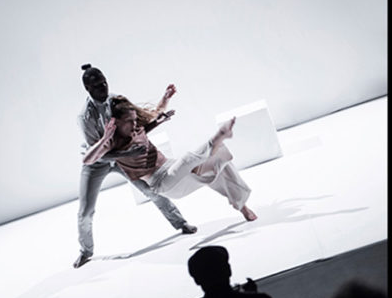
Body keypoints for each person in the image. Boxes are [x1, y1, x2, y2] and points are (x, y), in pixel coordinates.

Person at [75, 64, 198, 268]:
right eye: (97, 85)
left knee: (151, 190)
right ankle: (85, 251)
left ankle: (181, 223)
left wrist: (163, 104)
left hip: (124, 156)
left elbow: (139, 122)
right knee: (86, 211)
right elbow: (95, 155)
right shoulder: (85, 117)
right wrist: (125, 153)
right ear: (88, 89)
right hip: (98, 162)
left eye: (104, 81)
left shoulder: (116, 100)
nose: (103, 87)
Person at [83, 95, 256, 227]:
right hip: (163, 183)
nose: (134, 124)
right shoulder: (113, 142)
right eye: (129, 121)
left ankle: (242, 206)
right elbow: (88, 160)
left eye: (135, 119)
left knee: (220, 159)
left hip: (173, 168)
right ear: (115, 122)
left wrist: (166, 98)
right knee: (191, 158)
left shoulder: (136, 127)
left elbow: (153, 113)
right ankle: (216, 138)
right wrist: (105, 137)